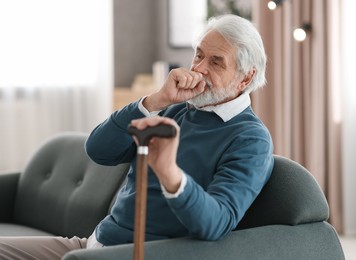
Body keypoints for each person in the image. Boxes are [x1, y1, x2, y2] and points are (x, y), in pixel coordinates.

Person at [0, 14, 274, 259]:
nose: (199, 68)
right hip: (92, 244)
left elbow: (216, 223)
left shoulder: (250, 139)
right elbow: (98, 150)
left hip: (137, 253)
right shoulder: (176, 110)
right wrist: (155, 100)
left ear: (246, 77)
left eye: (216, 62)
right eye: (199, 55)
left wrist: (169, 173)